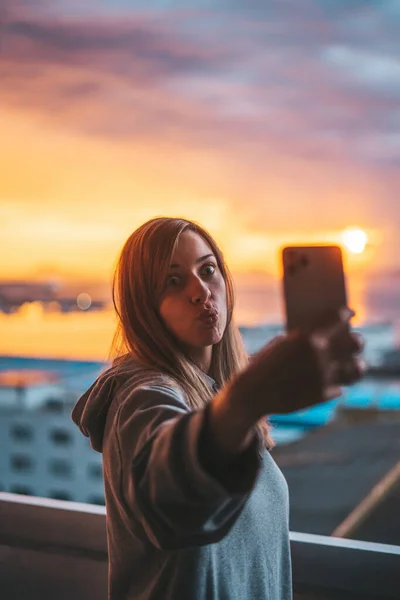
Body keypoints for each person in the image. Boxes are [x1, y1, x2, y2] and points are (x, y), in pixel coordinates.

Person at [71, 217, 364, 600]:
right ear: (144, 306)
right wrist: (247, 398)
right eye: (172, 281)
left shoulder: (213, 395)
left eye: (208, 270)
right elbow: (167, 494)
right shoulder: (141, 396)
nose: (200, 291)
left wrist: (240, 402)